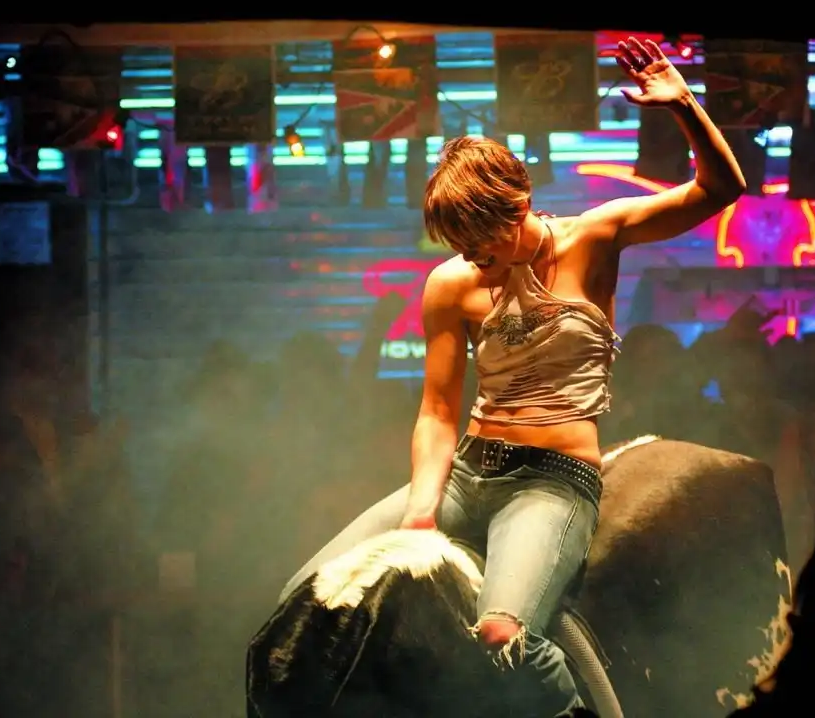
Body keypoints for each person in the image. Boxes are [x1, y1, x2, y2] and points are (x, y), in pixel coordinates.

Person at [280, 36, 746, 715]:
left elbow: (721, 188)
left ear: (518, 204)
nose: (473, 258)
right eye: (461, 246)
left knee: (503, 640)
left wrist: (683, 107)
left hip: (553, 481)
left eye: (482, 243)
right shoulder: (449, 284)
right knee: (306, 602)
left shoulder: (595, 236)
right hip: (468, 474)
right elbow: (438, 410)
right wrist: (421, 511)